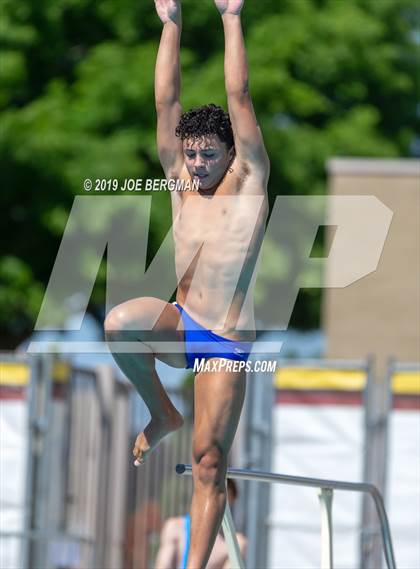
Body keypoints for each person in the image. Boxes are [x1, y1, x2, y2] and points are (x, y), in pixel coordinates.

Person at [104, 0, 269, 567]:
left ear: (232, 155)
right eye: (191, 154)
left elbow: (240, 98)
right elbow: (165, 101)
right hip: (183, 321)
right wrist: (170, 23)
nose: (196, 165)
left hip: (224, 341)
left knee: (208, 462)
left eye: (208, 155)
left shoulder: (248, 181)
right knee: (120, 323)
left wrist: (229, 16)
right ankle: (161, 412)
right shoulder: (180, 178)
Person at [154, 479, 247, 569]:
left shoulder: (235, 543)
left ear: (231, 500)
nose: (214, 501)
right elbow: (163, 565)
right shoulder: (175, 527)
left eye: (222, 497)